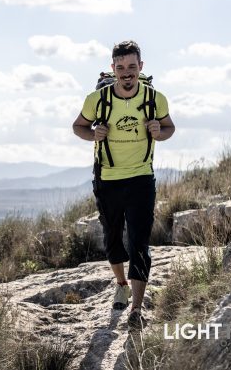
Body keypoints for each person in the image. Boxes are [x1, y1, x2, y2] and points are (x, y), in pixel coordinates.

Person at [72, 40, 175, 330]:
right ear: (113, 69)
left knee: (140, 243)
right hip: (107, 178)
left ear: (141, 67)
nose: (127, 73)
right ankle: (121, 284)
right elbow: (77, 126)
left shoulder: (155, 99)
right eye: (121, 67)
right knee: (113, 239)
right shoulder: (98, 100)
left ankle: (137, 309)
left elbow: (169, 128)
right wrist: (94, 134)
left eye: (132, 66)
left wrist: (159, 131)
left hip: (142, 177)